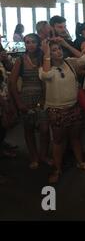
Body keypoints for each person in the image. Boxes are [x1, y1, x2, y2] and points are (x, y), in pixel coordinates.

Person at [39, 38, 85, 183]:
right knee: (58, 141)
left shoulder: (69, 62)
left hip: (73, 106)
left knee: (75, 137)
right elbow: (46, 75)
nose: (58, 52)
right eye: (54, 50)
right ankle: (57, 169)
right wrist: (46, 53)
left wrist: (65, 44)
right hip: (56, 110)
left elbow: (83, 59)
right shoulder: (45, 67)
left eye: (59, 49)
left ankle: (80, 162)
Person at [9, 34, 52, 169]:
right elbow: (12, 83)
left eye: (33, 42)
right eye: (27, 42)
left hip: (43, 97)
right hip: (26, 98)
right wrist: (19, 103)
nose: (30, 45)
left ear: (38, 43)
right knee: (29, 129)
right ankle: (34, 157)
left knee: (45, 129)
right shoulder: (20, 60)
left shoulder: (42, 58)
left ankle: (43, 155)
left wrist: (45, 98)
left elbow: (47, 79)